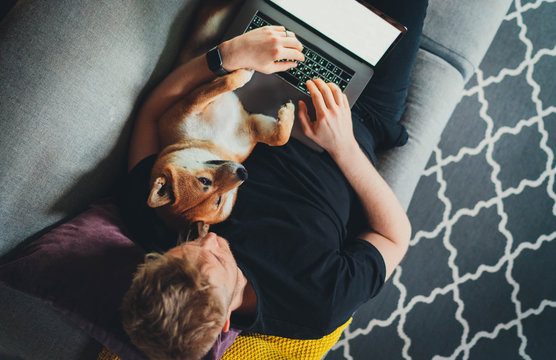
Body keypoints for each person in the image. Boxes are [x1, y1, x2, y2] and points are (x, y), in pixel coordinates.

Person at [120, 0, 428, 359]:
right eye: (218, 261)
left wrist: (227, 56)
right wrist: (343, 146)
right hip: (360, 113)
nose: (211, 240)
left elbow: (151, 115)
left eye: (186, 246)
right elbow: (394, 236)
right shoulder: (317, 305)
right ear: (225, 323)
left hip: (261, 68)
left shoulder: (156, 215)